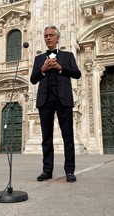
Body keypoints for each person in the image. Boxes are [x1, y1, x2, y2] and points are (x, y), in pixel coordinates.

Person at [30, 25, 81, 182]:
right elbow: (33, 79)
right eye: (46, 36)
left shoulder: (68, 56)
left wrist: (60, 68)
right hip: (45, 101)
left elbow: (77, 74)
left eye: (51, 35)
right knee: (46, 137)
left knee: (68, 136)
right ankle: (47, 170)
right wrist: (43, 69)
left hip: (63, 99)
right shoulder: (39, 59)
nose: (48, 38)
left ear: (58, 38)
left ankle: (70, 170)